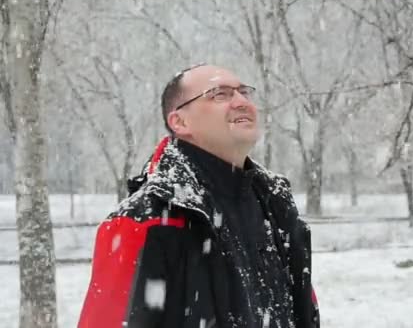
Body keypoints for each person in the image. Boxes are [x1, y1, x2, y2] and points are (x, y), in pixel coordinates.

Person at [78, 64, 319, 328]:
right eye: (220, 94)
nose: (241, 102)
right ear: (180, 122)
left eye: (244, 92)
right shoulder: (145, 220)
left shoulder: (276, 207)